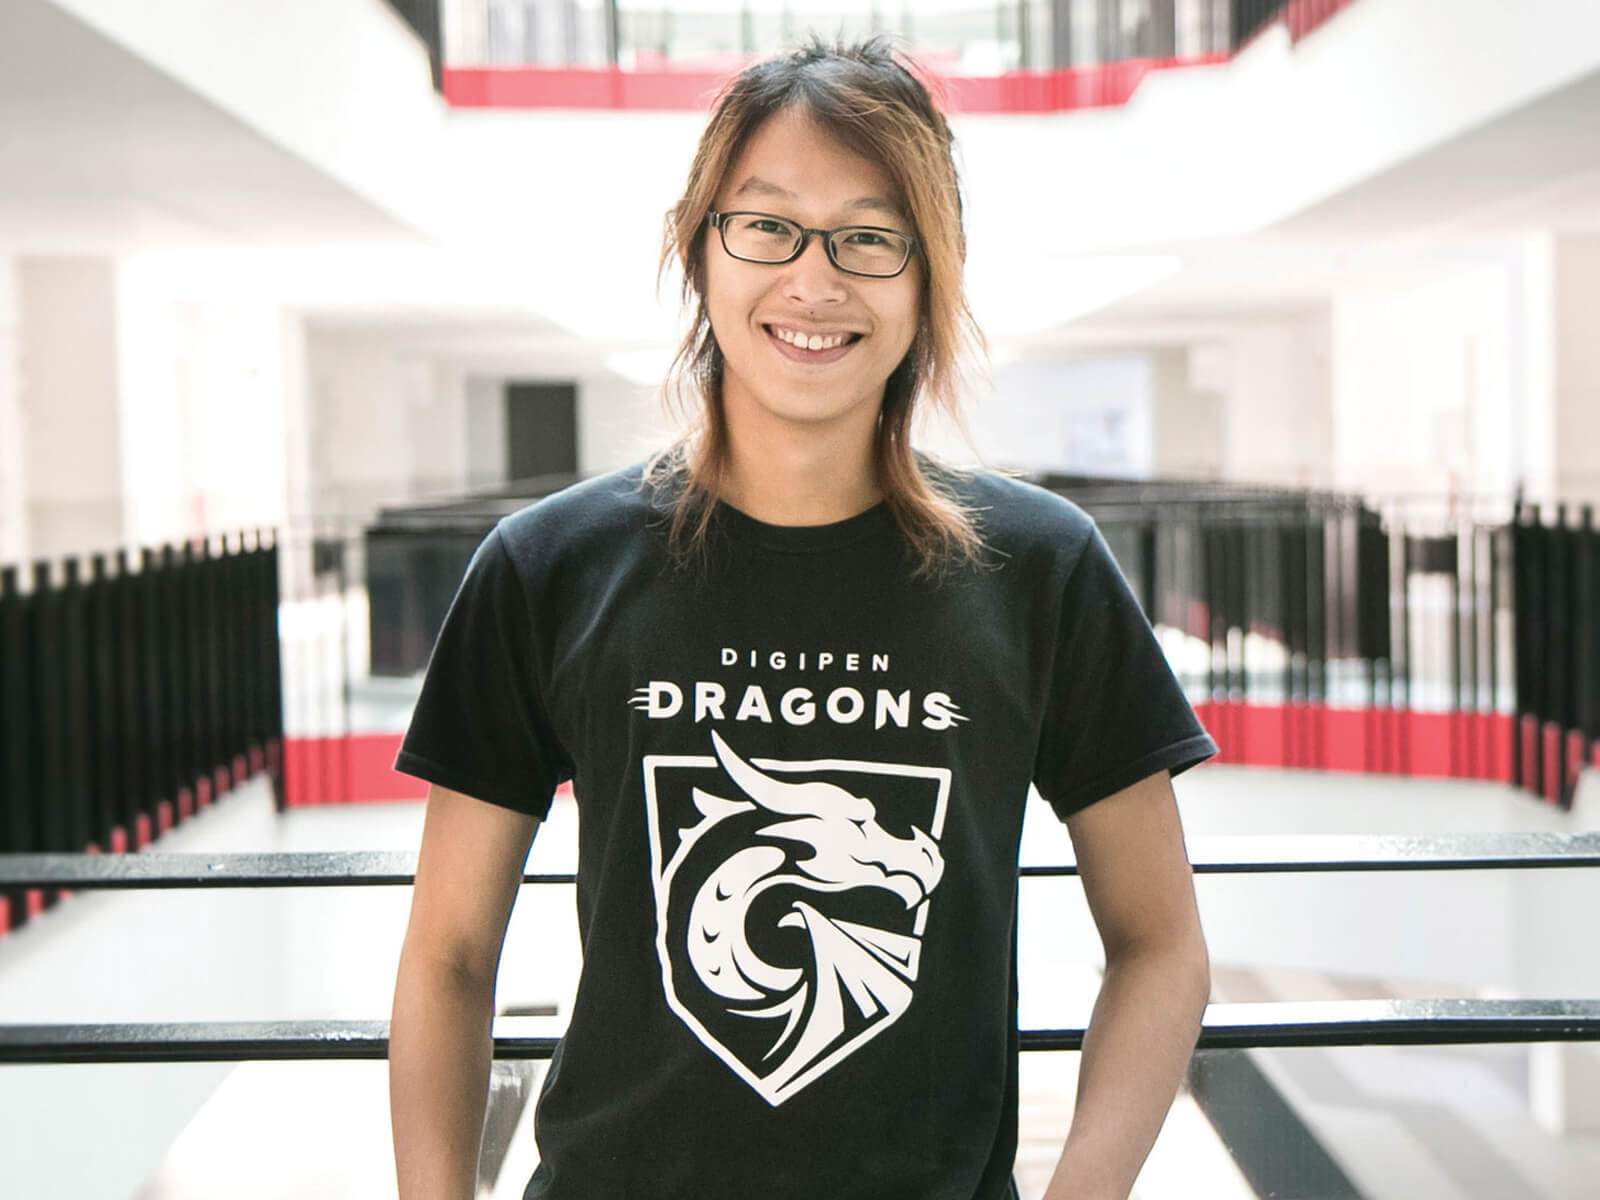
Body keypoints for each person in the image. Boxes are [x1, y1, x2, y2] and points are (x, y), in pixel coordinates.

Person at [389, 38, 1216, 1200]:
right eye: (766, 225)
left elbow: (1160, 943)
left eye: (869, 238)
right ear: (699, 250)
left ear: (931, 277)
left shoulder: (1042, 569)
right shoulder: (547, 568)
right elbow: (448, 955)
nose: (812, 282)